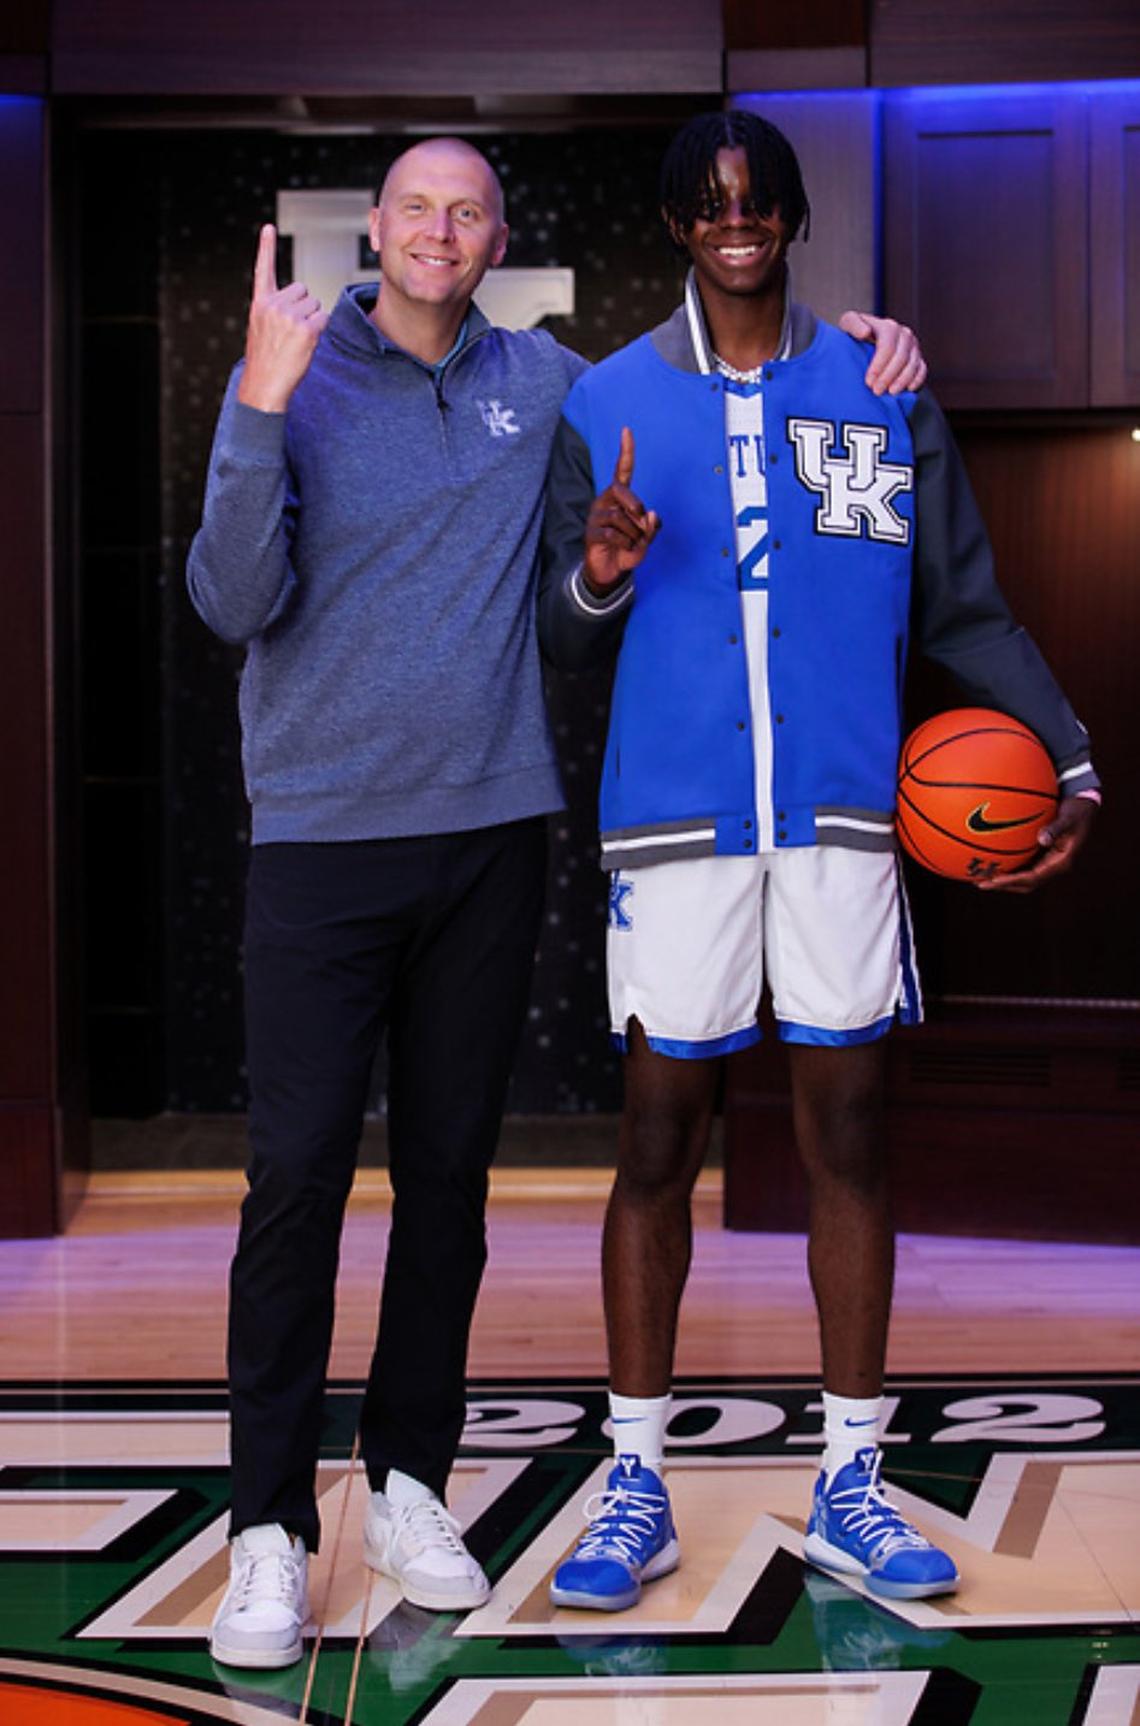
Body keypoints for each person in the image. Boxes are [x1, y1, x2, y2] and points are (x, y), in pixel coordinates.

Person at [187, 133, 928, 1669]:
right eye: (415, 209)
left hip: (488, 830)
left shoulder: (559, 388)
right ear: (372, 231)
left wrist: (869, 342)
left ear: (496, 235)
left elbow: (703, 384)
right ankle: (266, 1526)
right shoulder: (293, 369)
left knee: (447, 1188)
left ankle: (406, 1484)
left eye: (468, 209)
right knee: (297, 1186)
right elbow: (230, 599)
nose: (440, 231)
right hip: (320, 840)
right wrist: (256, 406)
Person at [538, 109, 1099, 1613]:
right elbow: (551, 633)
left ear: (790, 218)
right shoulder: (606, 400)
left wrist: (1072, 752)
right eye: (709, 202)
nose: (736, 221)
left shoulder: (880, 387)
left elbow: (963, 605)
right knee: (659, 1143)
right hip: (676, 821)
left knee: (849, 1136)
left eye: (759, 200)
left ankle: (852, 1478)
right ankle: (634, 1479)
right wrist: (597, 569)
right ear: (675, 224)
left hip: (846, 822)